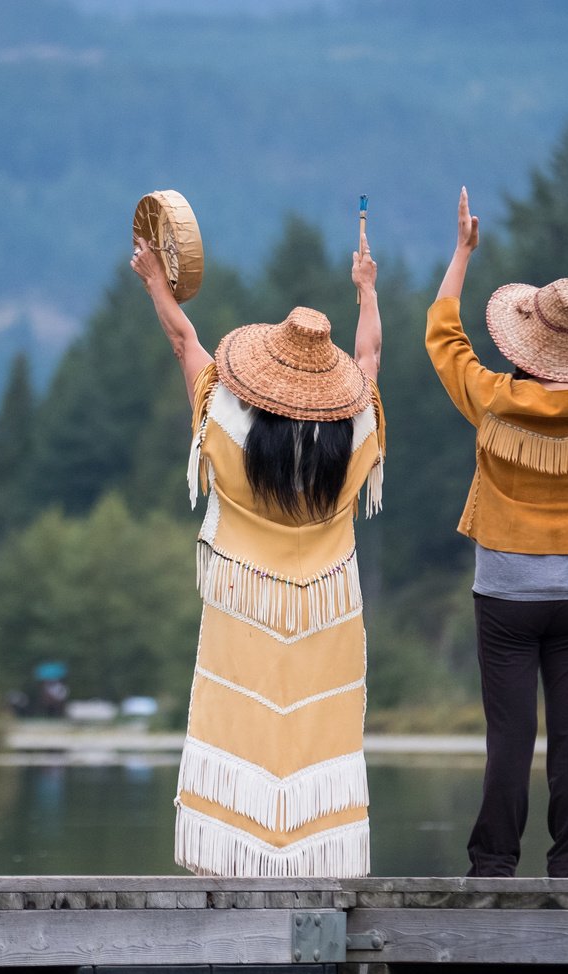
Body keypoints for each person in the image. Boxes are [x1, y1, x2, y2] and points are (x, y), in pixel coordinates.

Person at [131, 224, 384, 876]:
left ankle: (229, 856)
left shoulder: (226, 419)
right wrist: (366, 293)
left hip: (243, 591)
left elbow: (182, 340)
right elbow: (372, 358)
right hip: (328, 600)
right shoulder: (355, 435)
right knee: (313, 723)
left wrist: (157, 282)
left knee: (237, 710)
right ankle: (314, 860)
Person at [426, 187, 568, 878]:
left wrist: (462, 252)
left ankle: (492, 865)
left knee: (510, 736)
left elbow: (441, 333)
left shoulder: (494, 400)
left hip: (505, 593)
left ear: (523, 343)